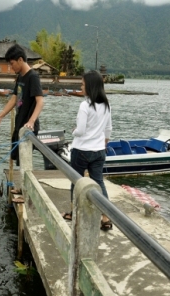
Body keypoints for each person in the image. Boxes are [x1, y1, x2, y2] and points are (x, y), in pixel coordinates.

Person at [62, 70, 113, 231]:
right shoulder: (106, 105)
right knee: (99, 182)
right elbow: (108, 129)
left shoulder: (85, 105)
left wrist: (73, 131)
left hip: (82, 149)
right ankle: (106, 217)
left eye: (83, 84)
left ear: (90, 86)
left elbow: (81, 130)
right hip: (98, 151)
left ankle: (74, 212)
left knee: (76, 181)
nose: (81, 87)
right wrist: (103, 143)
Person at [0, 44, 44, 166]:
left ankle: (23, 185)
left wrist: (31, 121)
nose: (11, 67)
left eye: (12, 63)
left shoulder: (33, 77)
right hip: (19, 123)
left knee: (24, 162)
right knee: (17, 158)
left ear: (20, 59)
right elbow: (15, 97)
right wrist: (0, 116)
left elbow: (40, 101)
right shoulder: (20, 77)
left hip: (28, 126)